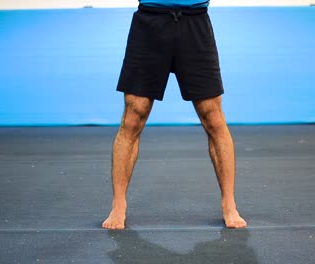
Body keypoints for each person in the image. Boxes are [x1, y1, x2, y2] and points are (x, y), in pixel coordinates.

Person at [102, 0, 247, 229]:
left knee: (213, 116)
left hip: (195, 21)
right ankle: (118, 204)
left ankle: (229, 203)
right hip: (148, 23)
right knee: (133, 116)